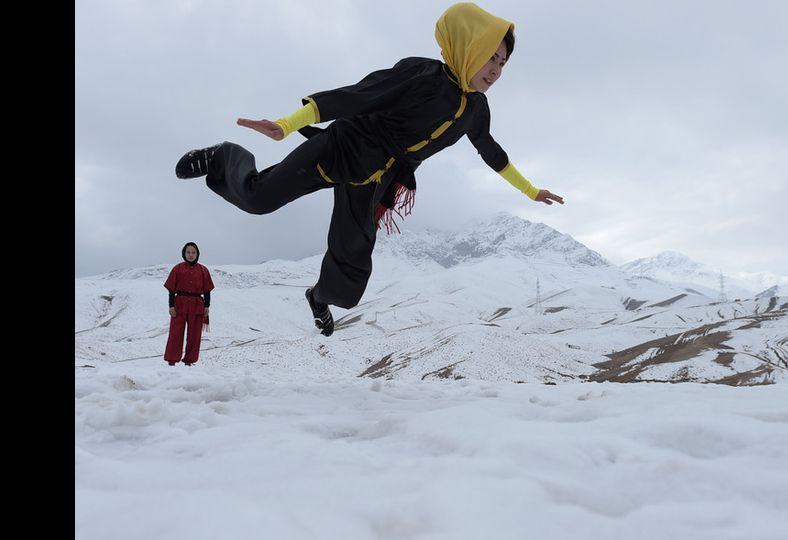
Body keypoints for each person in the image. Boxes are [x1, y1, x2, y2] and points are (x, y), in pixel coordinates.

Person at [174, 2, 563, 337]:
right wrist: (287, 124)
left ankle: (317, 297)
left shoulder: (477, 109)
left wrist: (531, 191)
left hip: (376, 180)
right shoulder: (422, 75)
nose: (495, 70)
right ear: (468, 46)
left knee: (350, 278)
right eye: (490, 57)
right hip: (342, 148)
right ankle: (224, 157)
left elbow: (490, 150)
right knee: (258, 199)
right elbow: (356, 97)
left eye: (502, 63)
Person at [163, 242, 215, 366]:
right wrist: (171, 306)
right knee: (175, 333)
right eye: (188, 252)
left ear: (197, 254)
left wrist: (207, 306)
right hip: (179, 304)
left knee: (194, 335)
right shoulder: (177, 268)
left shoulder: (203, 270)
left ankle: (189, 361)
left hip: (197, 305)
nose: (191, 255)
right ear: (184, 253)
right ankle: (172, 360)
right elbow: (171, 289)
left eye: (193, 252)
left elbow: (207, 290)